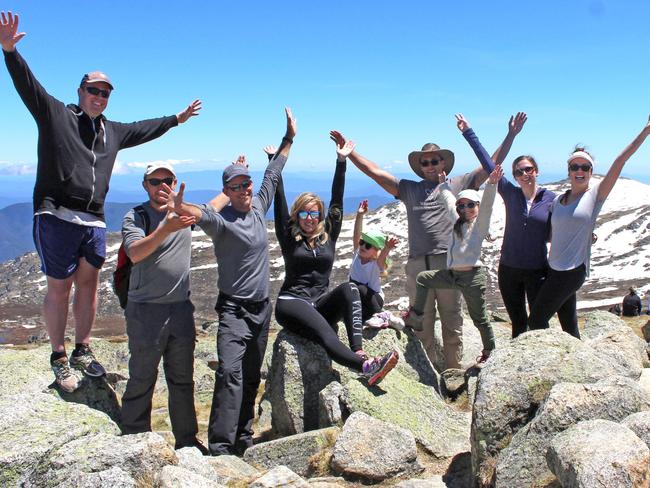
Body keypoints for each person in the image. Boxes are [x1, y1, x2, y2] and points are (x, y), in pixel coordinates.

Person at [1, 11, 202, 392]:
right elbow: (29, 87)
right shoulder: (57, 114)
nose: (99, 97)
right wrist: (10, 52)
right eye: (93, 90)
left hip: (92, 219)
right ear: (80, 91)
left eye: (105, 93)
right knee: (59, 288)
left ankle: (82, 349)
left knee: (89, 286)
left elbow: (144, 129)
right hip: (55, 214)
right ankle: (59, 356)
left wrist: (177, 119)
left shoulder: (112, 131)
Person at [331, 122, 521, 370]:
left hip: (448, 263)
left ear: (443, 163)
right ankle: (429, 375)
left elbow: (490, 162)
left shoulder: (458, 184)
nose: (430, 166)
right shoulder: (409, 188)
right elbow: (374, 171)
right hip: (418, 265)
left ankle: (453, 373)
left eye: (435, 161)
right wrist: (350, 152)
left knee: (452, 318)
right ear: (420, 167)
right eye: (425, 162)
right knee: (421, 320)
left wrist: (510, 135)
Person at [163, 108, 295, 456]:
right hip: (234, 311)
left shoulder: (258, 206)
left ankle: (244, 438)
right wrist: (180, 207)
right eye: (235, 187)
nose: (243, 190)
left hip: (261, 309)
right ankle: (221, 448)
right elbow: (199, 214)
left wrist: (288, 138)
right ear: (226, 190)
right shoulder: (222, 222)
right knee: (230, 374)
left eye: (245, 184)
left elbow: (273, 171)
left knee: (251, 376)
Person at [273, 137, 399, 386]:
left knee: (350, 288)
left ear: (320, 215)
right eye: (304, 213)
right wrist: (275, 162)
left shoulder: (327, 235)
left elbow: (337, 200)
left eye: (314, 213)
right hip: (292, 302)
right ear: (297, 215)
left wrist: (341, 160)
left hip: (319, 302)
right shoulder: (289, 237)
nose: (310, 218)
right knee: (325, 333)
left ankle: (359, 350)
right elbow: (279, 200)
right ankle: (364, 366)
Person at [528, 116, 650, 337]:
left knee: (536, 319)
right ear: (569, 170)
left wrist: (645, 131)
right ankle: (577, 362)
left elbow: (619, 162)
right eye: (575, 166)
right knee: (568, 324)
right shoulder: (558, 201)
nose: (580, 170)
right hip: (553, 268)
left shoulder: (594, 195)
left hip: (573, 271)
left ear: (591, 171)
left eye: (585, 167)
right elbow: (556, 233)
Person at [119, 163, 206, 453]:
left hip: (181, 309)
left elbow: (217, 205)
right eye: (154, 181)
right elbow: (134, 253)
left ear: (175, 181)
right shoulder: (136, 216)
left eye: (166, 180)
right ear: (145, 185)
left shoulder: (185, 211)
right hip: (146, 311)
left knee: (182, 379)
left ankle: (186, 441)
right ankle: (135, 442)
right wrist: (165, 228)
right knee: (143, 377)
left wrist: (237, 172)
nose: (161, 186)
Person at [455, 113, 557, 338]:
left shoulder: (551, 199)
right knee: (518, 324)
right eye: (519, 171)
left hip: (538, 271)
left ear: (536, 171)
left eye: (528, 169)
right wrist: (469, 133)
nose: (524, 174)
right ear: (514, 176)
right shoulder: (511, 193)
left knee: (540, 324)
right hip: (509, 269)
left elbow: (567, 221)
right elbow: (488, 162)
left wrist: (590, 235)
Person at [405, 166, 501, 364]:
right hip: (453, 275)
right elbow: (449, 202)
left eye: (470, 205)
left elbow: (488, 206)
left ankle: (489, 351)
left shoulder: (479, 224)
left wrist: (491, 184)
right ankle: (416, 316)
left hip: (473, 278)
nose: (465, 209)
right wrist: (442, 185)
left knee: (480, 318)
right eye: (462, 206)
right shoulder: (457, 221)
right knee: (423, 278)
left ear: (477, 206)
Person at [351, 199, 403, 330]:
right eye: (362, 242)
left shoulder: (375, 264)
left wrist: (387, 248)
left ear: (376, 252)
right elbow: (356, 235)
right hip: (360, 300)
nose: (362, 246)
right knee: (349, 290)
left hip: (375, 299)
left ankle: (382, 315)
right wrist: (360, 215)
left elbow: (381, 259)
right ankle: (386, 318)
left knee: (359, 287)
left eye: (368, 245)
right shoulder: (357, 254)